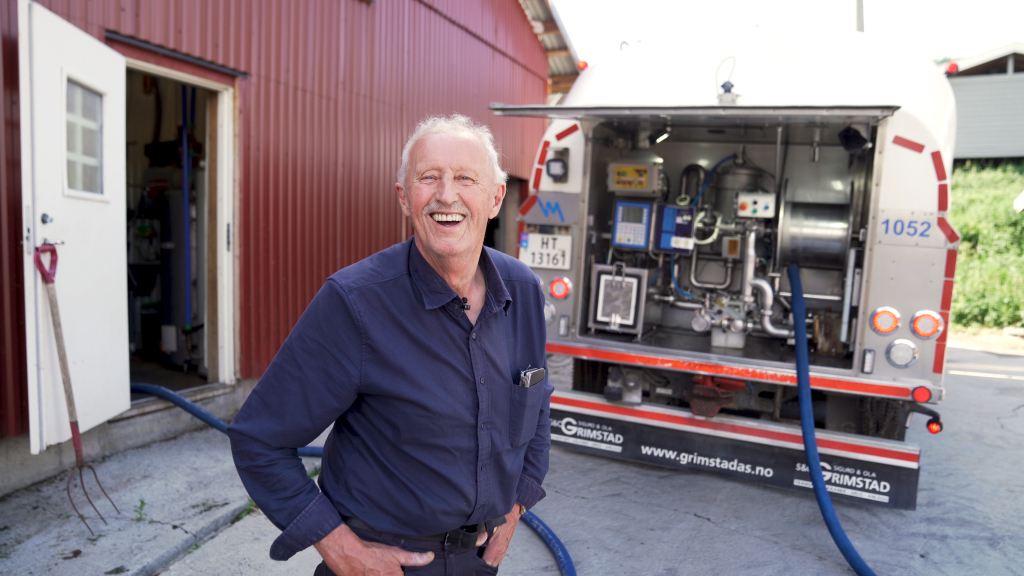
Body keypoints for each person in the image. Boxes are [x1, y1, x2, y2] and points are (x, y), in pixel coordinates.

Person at [227, 114, 552, 576]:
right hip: (381, 563)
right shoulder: (355, 302)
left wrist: (518, 504)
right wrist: (339, 547)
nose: (446, 195)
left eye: (466, 178)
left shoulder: (522, 290)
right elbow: (259, 440)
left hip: (480, 561)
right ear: (404, 197)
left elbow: (537, 407)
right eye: (429, 177)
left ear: (496, 198)